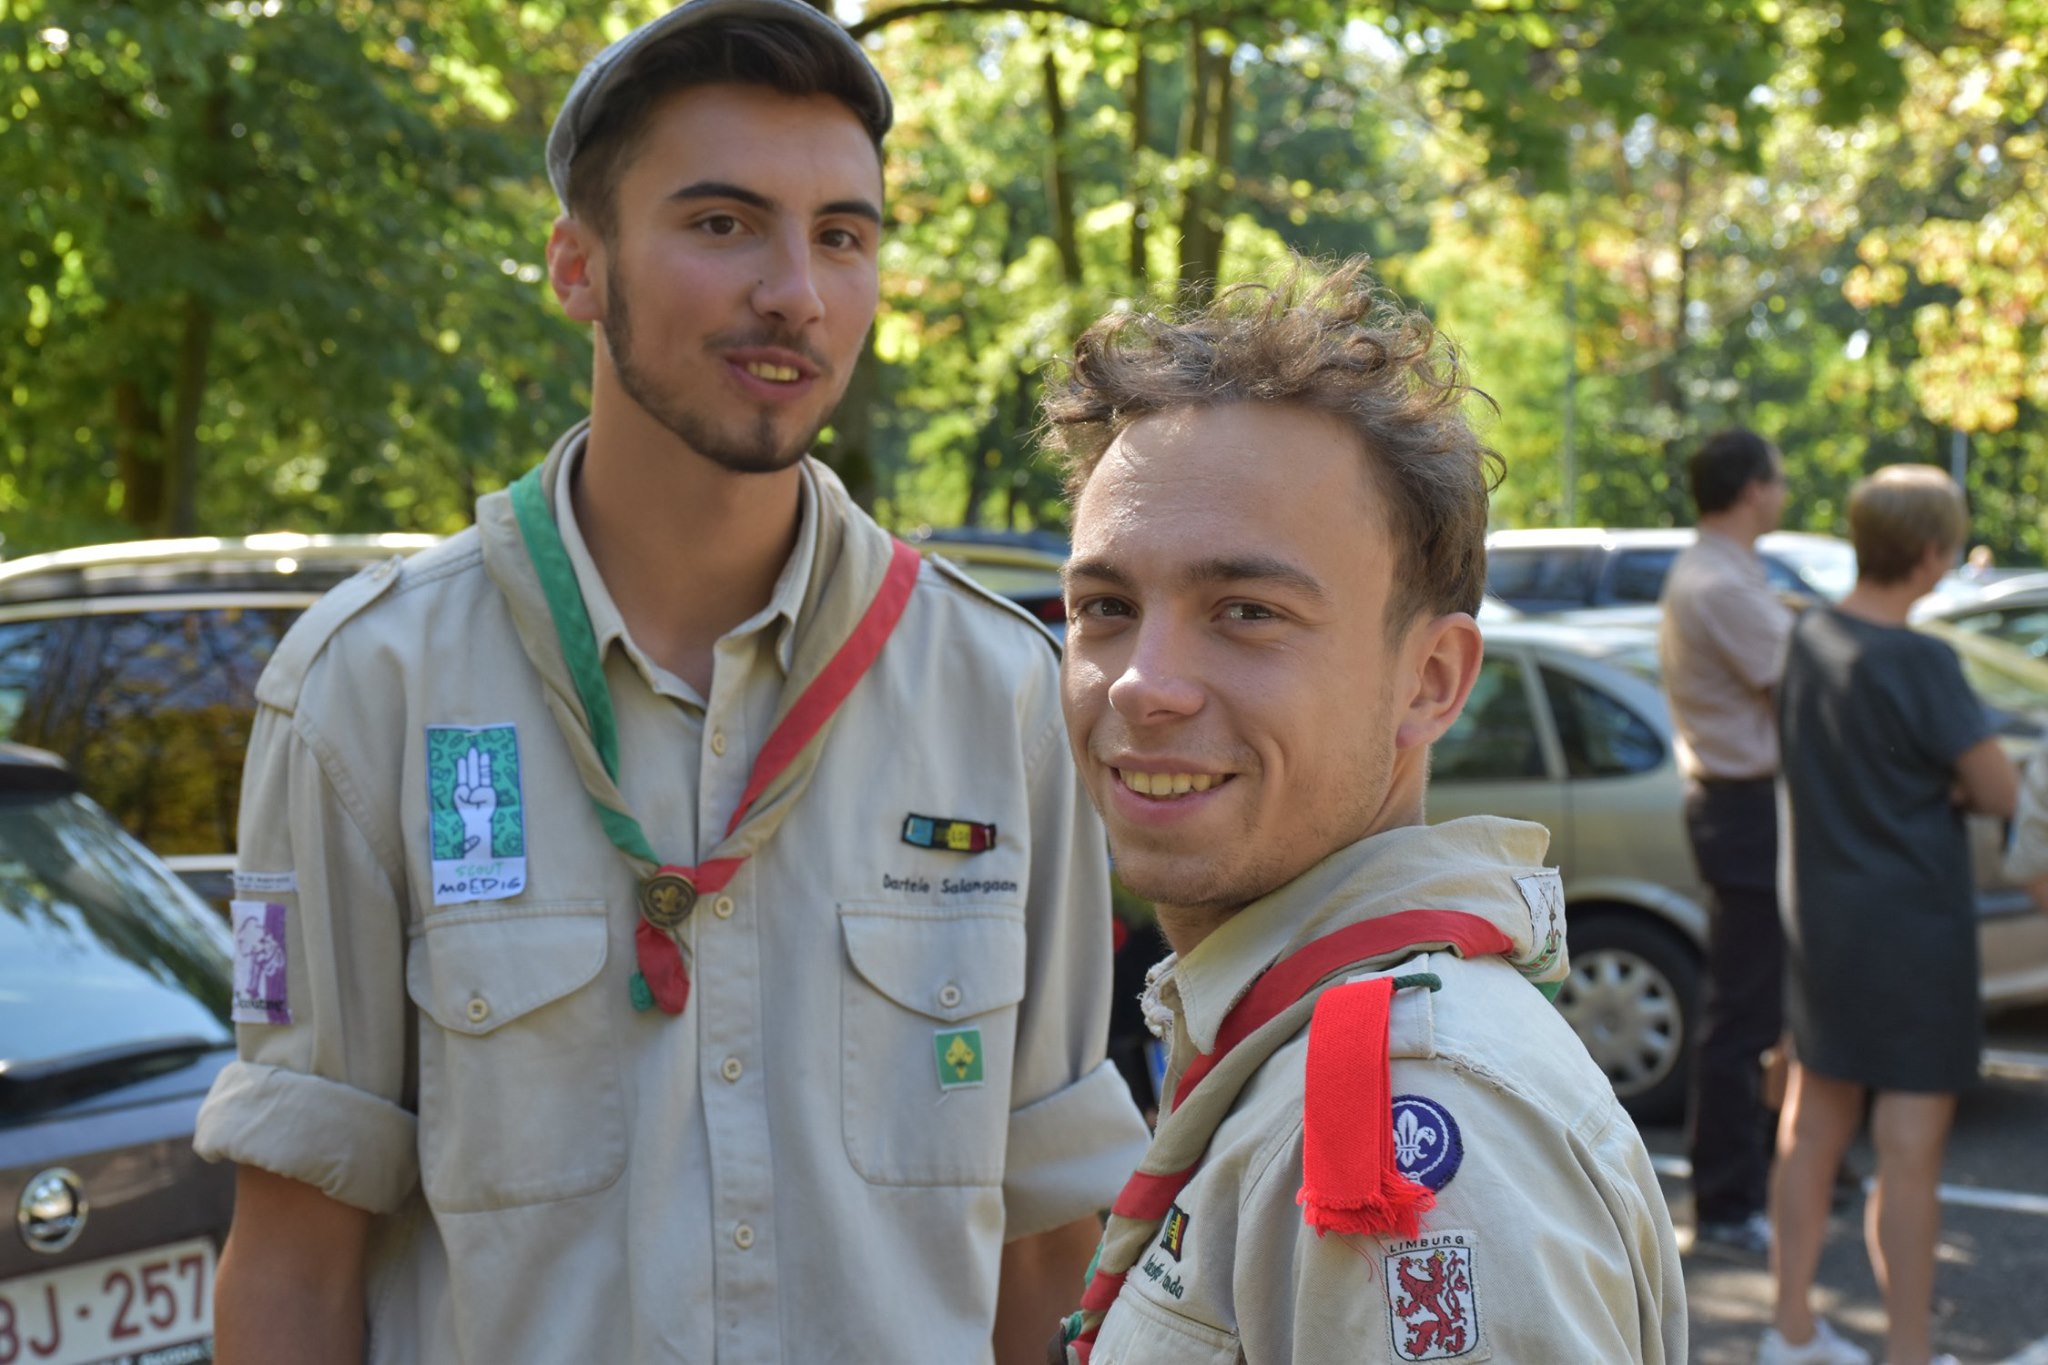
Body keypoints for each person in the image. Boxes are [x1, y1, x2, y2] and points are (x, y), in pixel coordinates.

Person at [192, 3, 1149, 1360]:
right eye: (721, 224)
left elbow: (1051, 1252)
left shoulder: (998, 697)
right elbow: (293, 1272)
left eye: (843, 236)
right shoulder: (367, 692)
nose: (795, 292)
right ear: (577, 268)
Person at [1042, 257, 1686, 1364]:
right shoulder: (1281, 1047)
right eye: (1104, 606)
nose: (1141, 682)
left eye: (1245, 611)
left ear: (1428, 682)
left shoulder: (1417, 1113)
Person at [1766, 465, 2019, 1365]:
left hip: (1823, 923)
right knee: (1910, 1152)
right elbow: (1999, 788)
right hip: (1915, 930)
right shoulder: (1922, 660)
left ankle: (1789, 1329)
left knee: (1812, 1124)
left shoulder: (1810, 636)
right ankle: (1907, 1350)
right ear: (1931, 555)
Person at [1657, 425, 1795, 1257]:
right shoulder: (1720, 582)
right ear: (1752, 489)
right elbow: (1802, 686)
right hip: (1744, 804)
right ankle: (1727, 1199)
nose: (1783, 491)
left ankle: (1778, 1175)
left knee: (1765, 1002)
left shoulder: (1717, 572)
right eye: (1776, 480)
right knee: (1744, 1009)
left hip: (1739, 802)